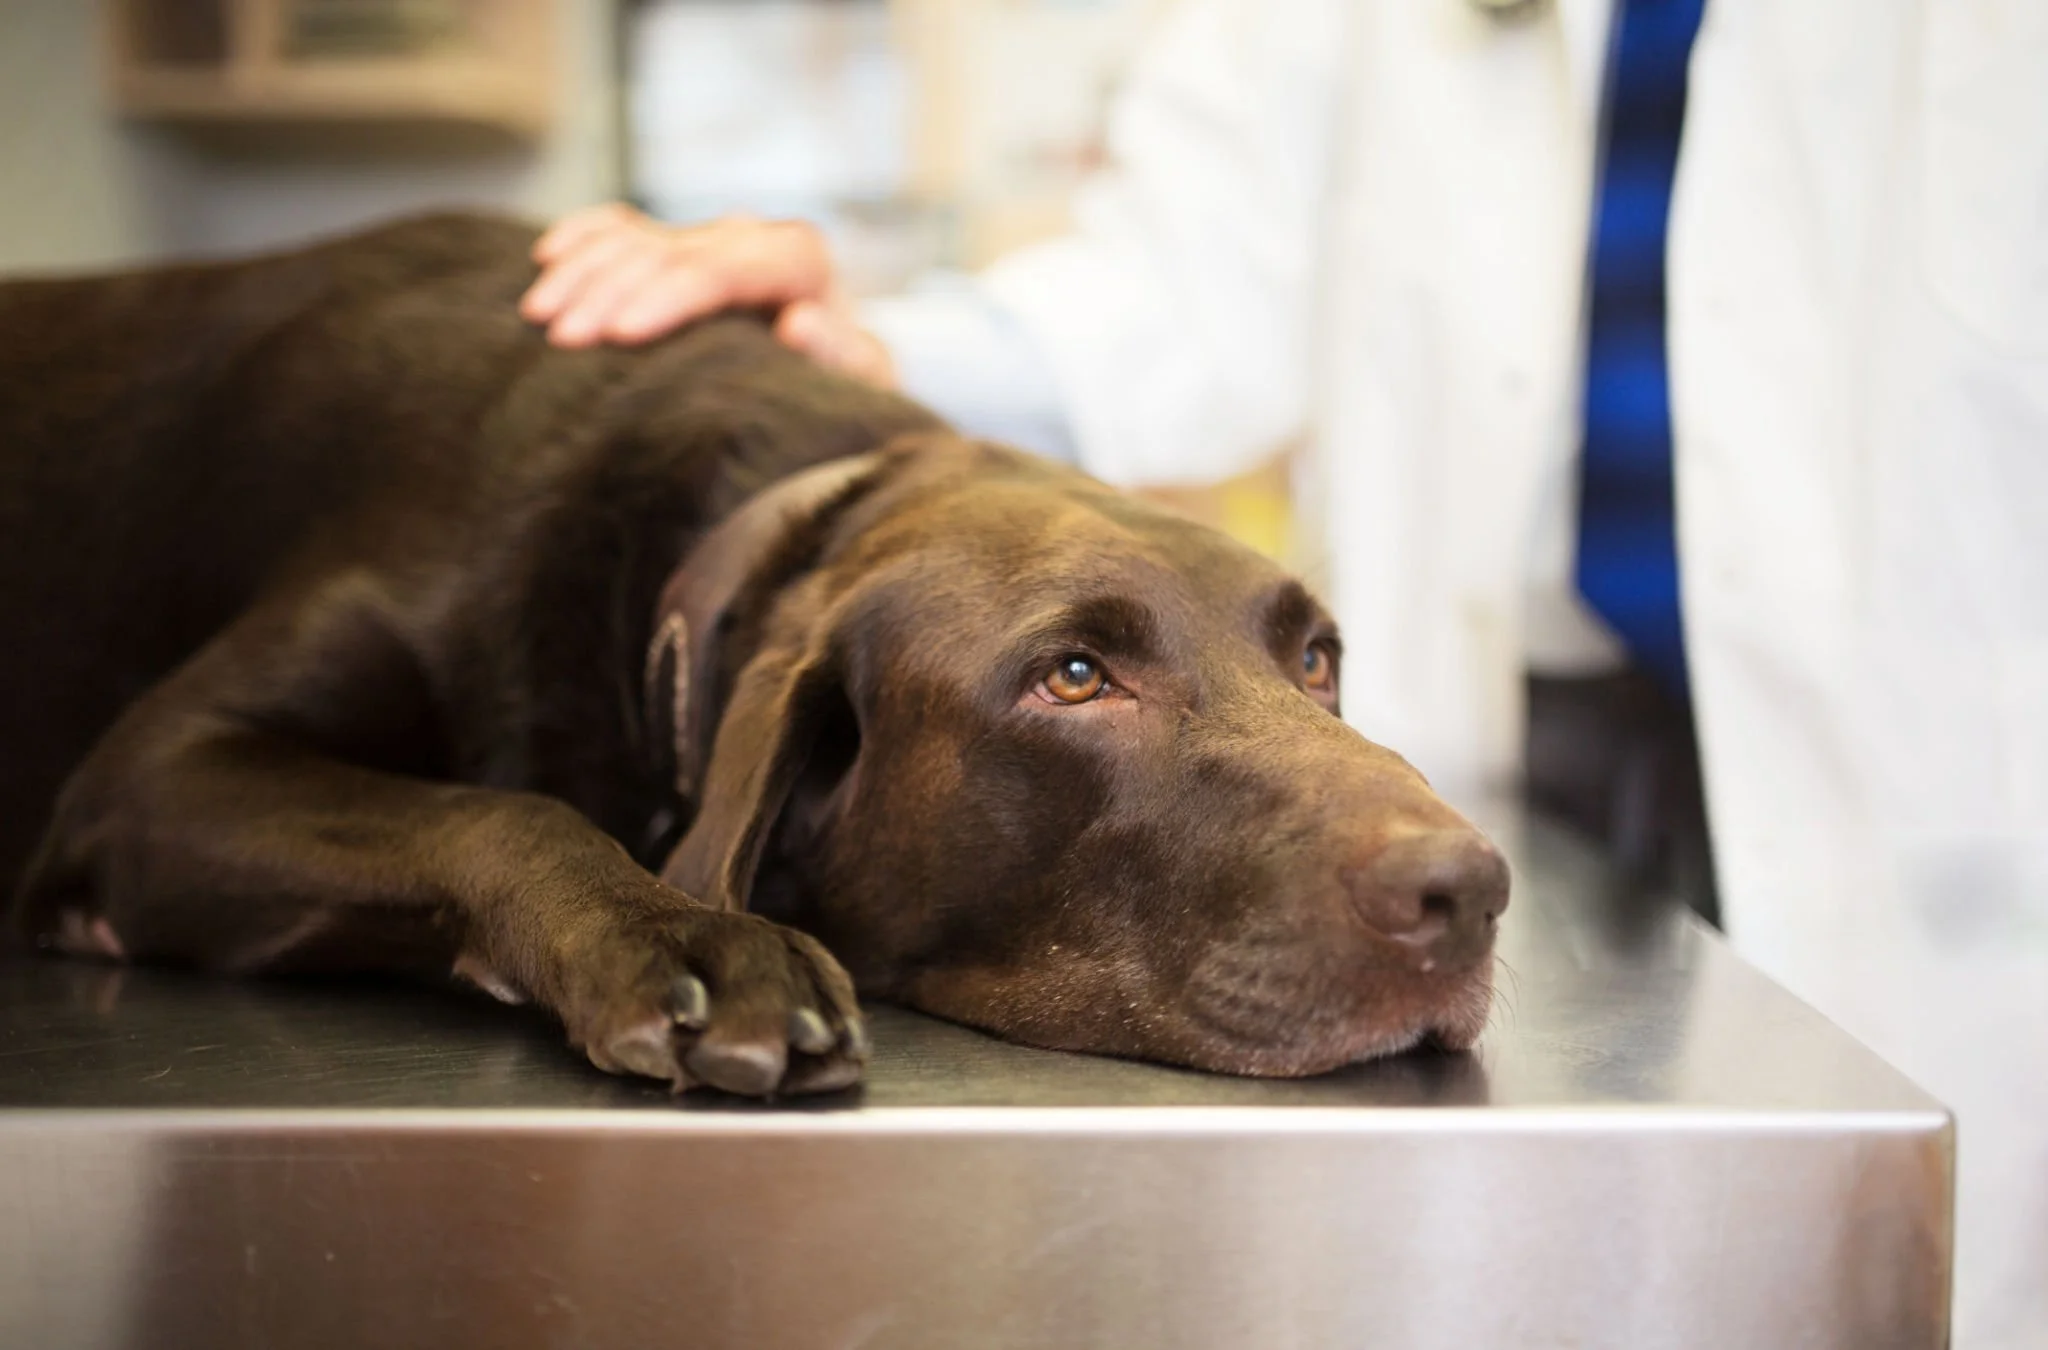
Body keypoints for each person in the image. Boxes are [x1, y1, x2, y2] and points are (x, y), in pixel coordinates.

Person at [522, 1, 2047, 1343]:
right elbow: (1177, 289)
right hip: (1505, 764)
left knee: (1894, 1283)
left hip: (1950, 783)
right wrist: (843, 337)